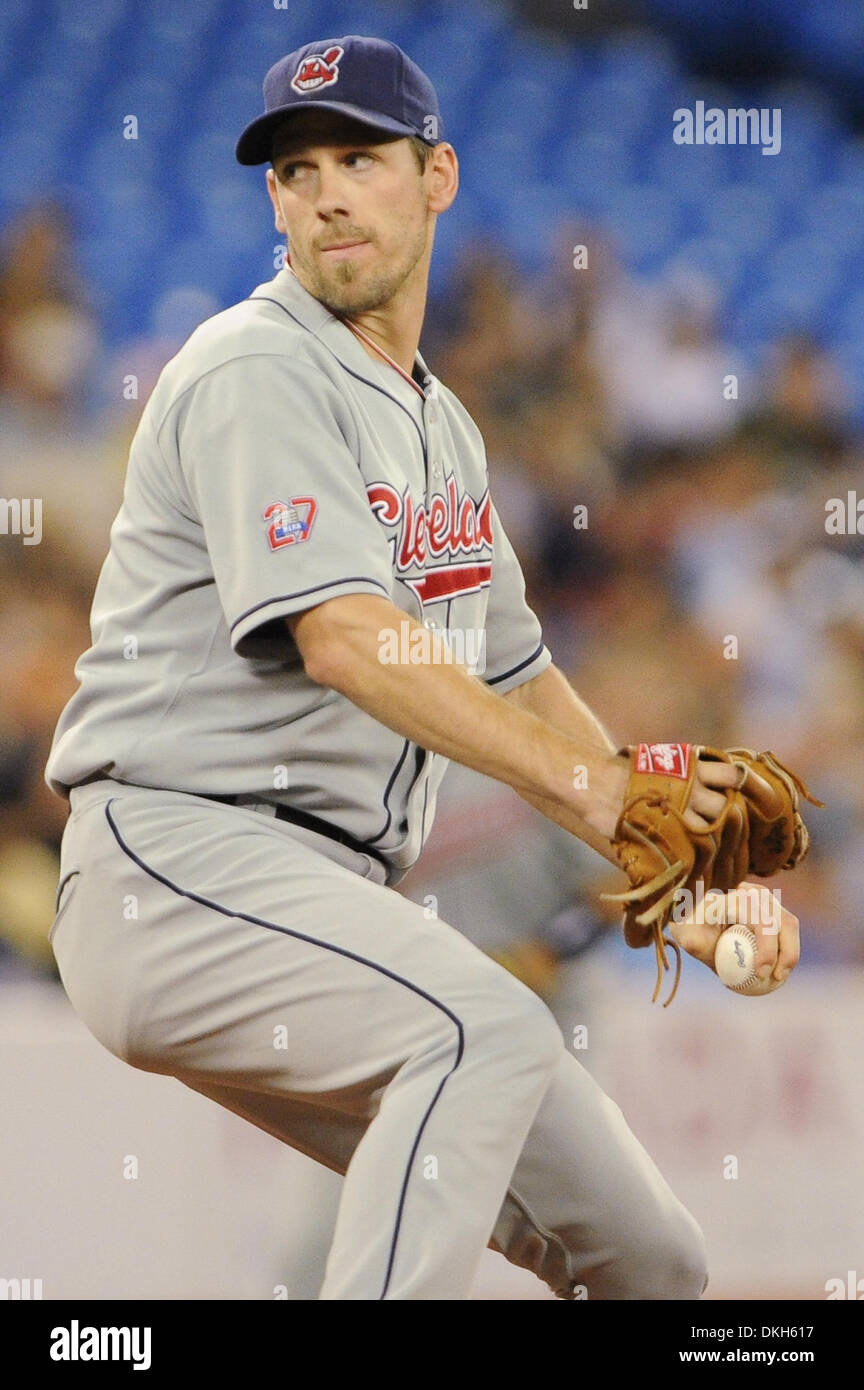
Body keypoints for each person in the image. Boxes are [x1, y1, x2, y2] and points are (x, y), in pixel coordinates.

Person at [44, 35, 799, 1300]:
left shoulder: (440, 424)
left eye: (359, 157)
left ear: (436, 175)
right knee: (486, 1026)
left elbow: (519, 672)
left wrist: (676, 879)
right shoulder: (255, 366)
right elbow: (343, 636)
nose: (326, 190)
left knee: (654, 1260)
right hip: (179, 865)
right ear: (273, 202)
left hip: (331, 899)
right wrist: (611, 798)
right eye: (295, 169)